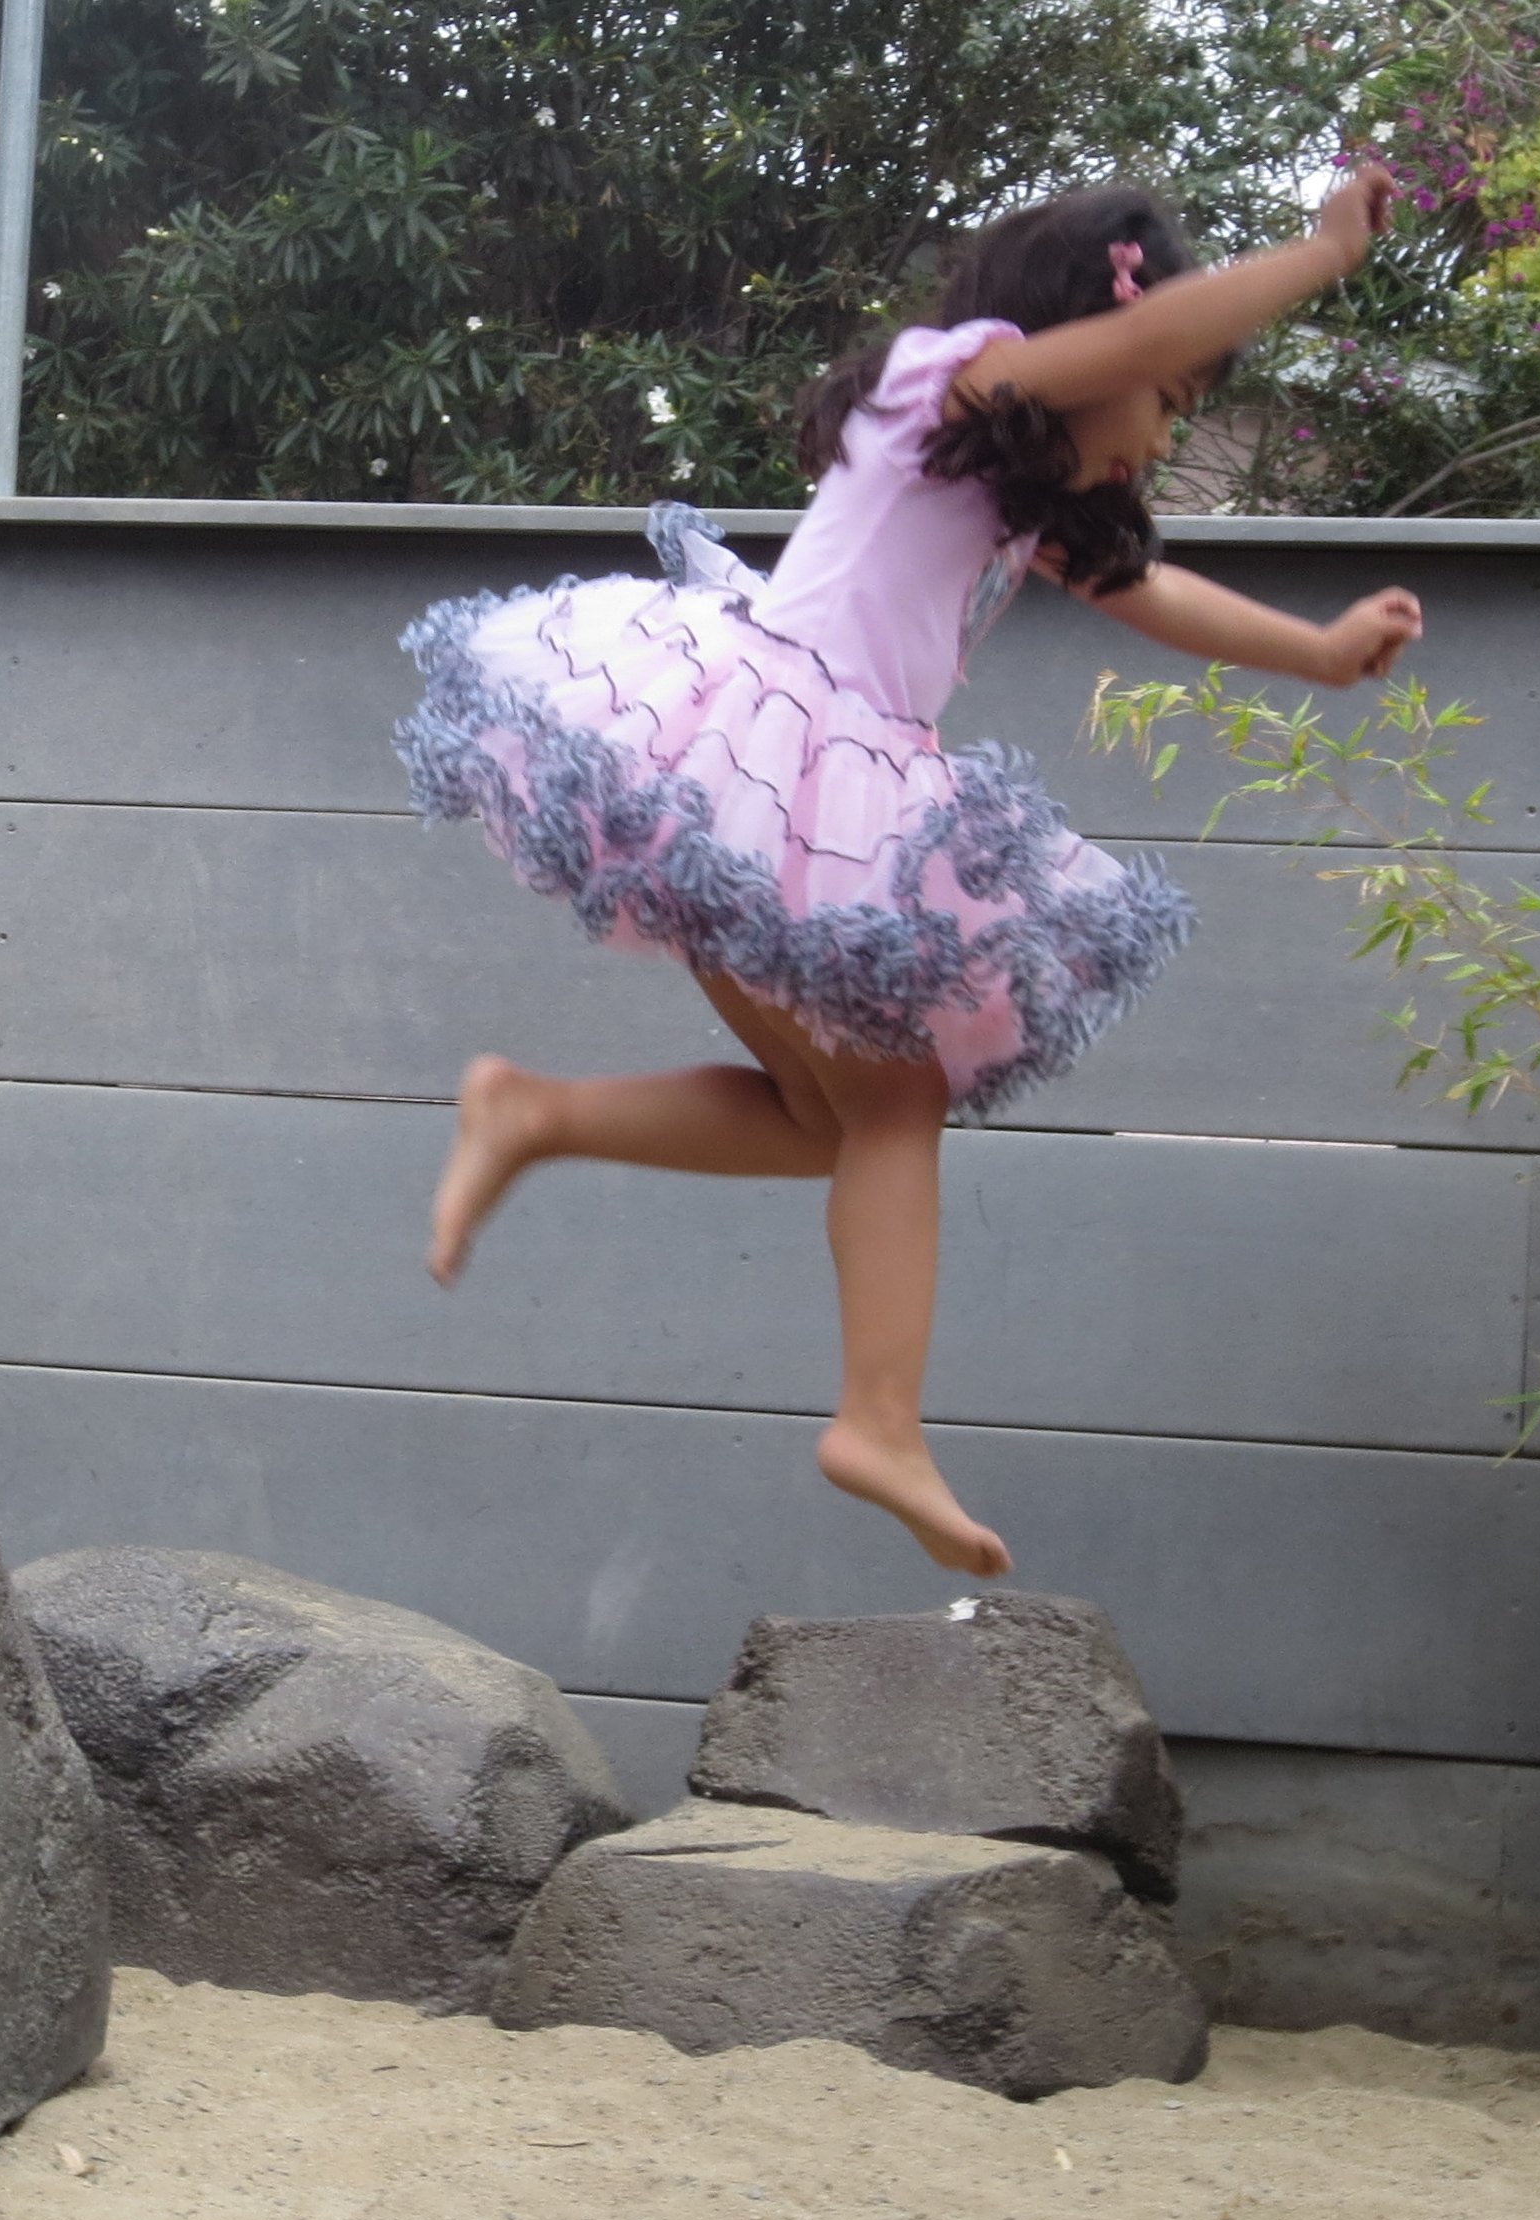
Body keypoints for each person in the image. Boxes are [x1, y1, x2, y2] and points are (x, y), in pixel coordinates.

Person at [394, 169, 1423, 1580]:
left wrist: (1318, 652)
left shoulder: (1016, 495)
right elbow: (1132, 344)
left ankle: (538, 1111)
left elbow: (1152, 592)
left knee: (831, 1121)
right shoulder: (945, 383)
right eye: (1171, 401)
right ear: (1084, 338)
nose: (1165, 435)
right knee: (893, 1105)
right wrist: (1319, 254)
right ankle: (877, 1421)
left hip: (796, 792)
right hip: (777, 760)